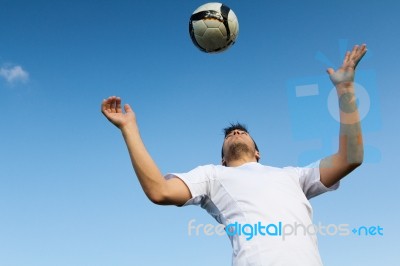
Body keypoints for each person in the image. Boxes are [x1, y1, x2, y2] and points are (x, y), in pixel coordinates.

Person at [101, 44, 367, 265]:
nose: (236, 133)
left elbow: (351, 157)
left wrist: (345, 90)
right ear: (223, 160)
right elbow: (159, 191)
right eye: (229, 135)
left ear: (259, 152)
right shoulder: (212, 176)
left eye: (242, 132)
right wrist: (129, 129)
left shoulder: (294, 177)